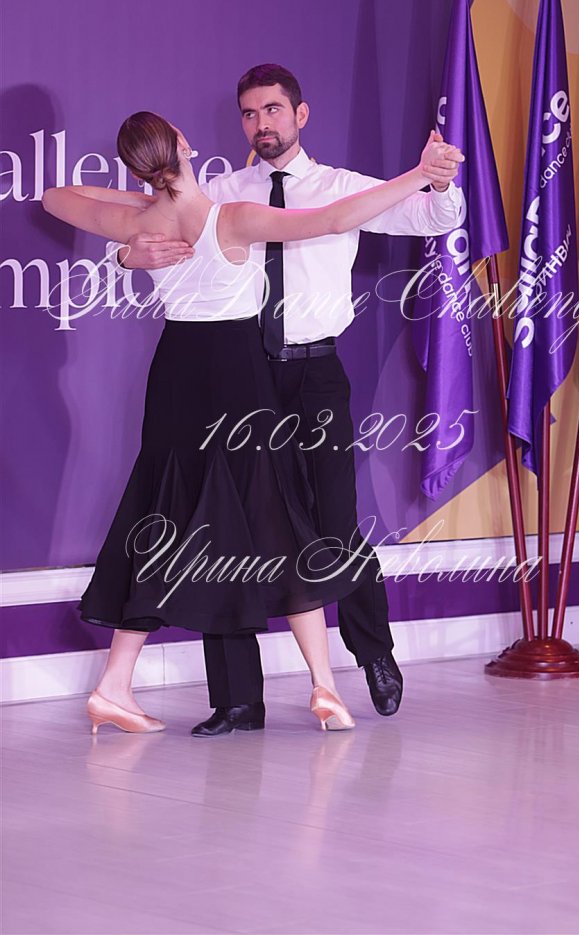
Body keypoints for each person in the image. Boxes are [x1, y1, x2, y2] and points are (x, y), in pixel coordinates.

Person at [43, 110, 455, 736]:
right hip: (237, 375)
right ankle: (323, 685)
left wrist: (136, 225)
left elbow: (56, 196)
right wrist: (418, 175)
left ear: (140, 166)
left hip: (176, 378)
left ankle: (114, 685)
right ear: (184, 144)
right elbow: (334, 219)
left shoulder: (140, 222)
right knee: (278, 520)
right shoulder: (230, 217)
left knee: (163, 516)